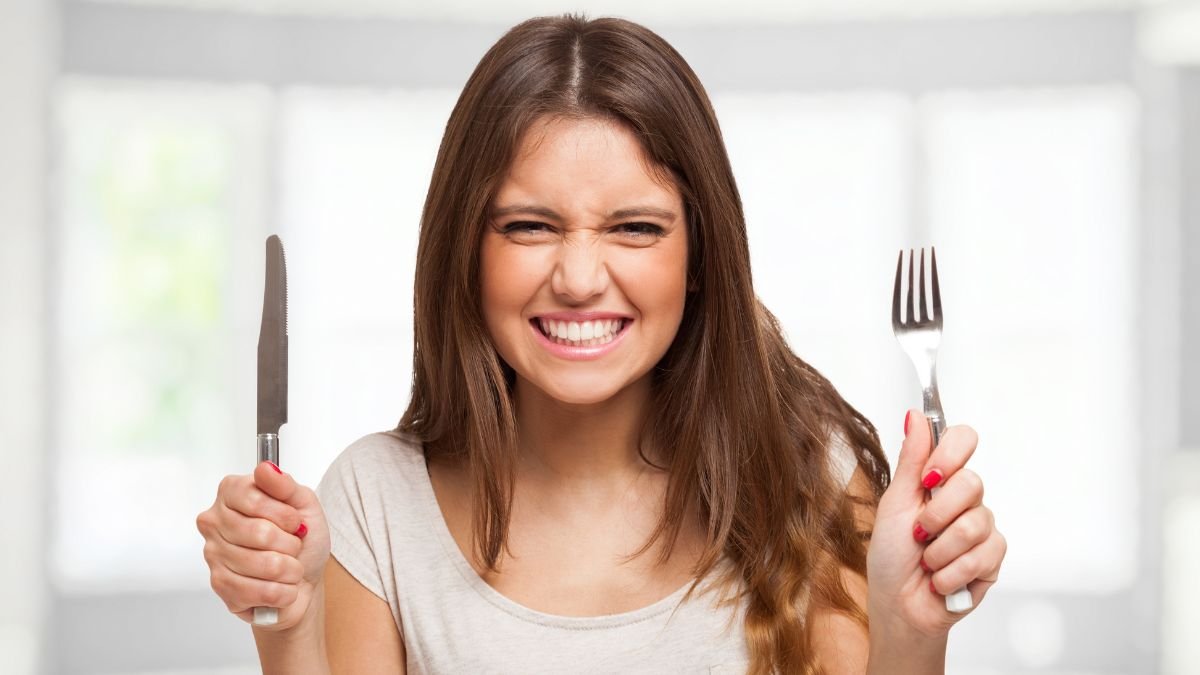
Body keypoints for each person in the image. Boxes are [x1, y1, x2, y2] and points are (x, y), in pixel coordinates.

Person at [195, 14, 1006, 674]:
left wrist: (911, 632)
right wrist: (288, 630)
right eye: (528, 226)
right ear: (465, 254)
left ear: (700, 258)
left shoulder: (813, 482)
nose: (580, 277)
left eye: (636, 228)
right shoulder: (376, 504)